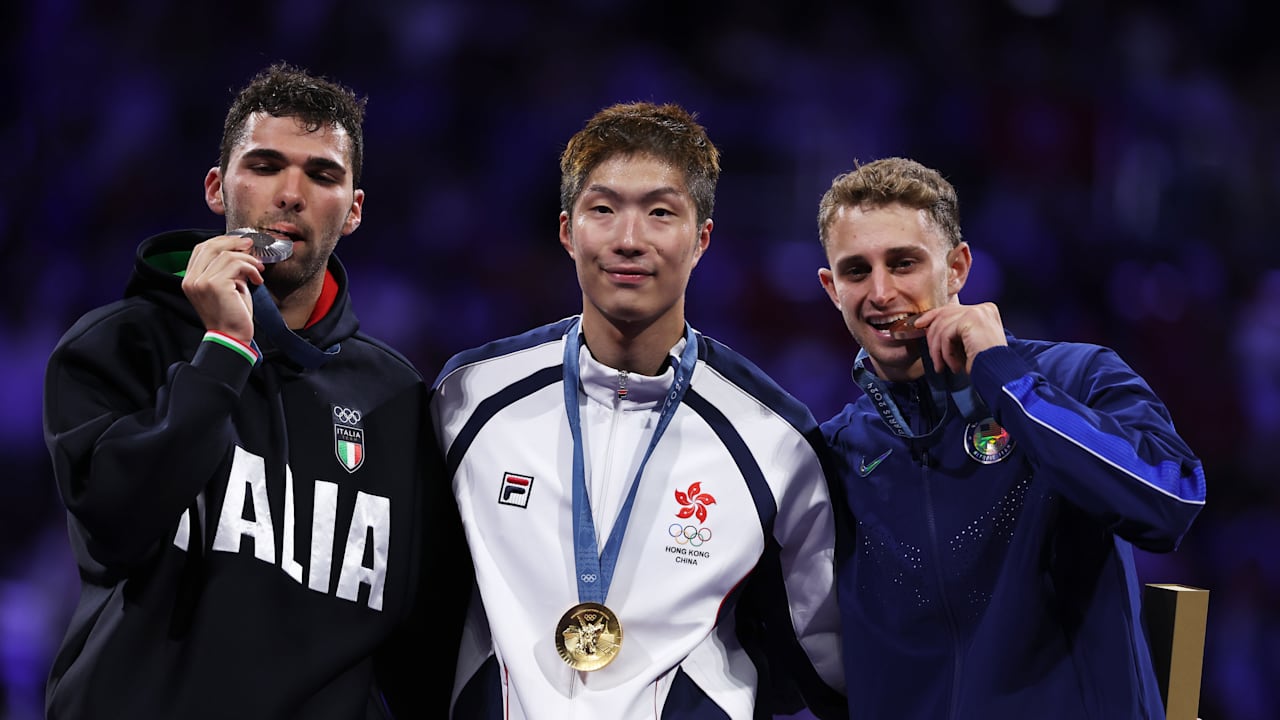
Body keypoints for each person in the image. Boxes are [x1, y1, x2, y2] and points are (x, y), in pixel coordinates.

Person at [41, 62, 467, 718]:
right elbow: (114, 530)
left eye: (322, 174)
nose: (291, 193)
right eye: (265, 166)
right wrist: (224, 352)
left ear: (353, 210)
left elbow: (421, 648)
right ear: (218, 188)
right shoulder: (120, 346)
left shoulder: (397, 399)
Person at [430, 102, 846, 719]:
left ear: (701, 238)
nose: (629, 240)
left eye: (660, 212)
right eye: (604, 210)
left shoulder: (775, 441)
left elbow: (820, 664)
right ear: (568, 231)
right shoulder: (469, 400)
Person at [814, 156, 1207, 718]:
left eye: (904, 263)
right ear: (832, 287)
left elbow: (1172, 500)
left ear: (957, 268)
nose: (881, 292)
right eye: (856, 271)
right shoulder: (835, 454)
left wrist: (1005, 380)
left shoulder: (1078, 376)